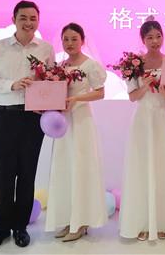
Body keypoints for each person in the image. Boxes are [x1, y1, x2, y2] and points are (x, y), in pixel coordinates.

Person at [0, 0, 55, 250]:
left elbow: (52, 82)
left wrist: (49, 102)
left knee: (27, 173)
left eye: (33, 18)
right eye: (23, 18)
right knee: (4, 173)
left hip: (33, 119)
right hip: (5, 117)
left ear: (38, 21)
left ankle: (20, 227)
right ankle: (1, 228)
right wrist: (11, 84)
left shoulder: (46, 49)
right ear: (14, 20)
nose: (28, 23)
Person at [119, 18, 165, 241]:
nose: (155, 41)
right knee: (143, 167)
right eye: (150, 37)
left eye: (158, 36)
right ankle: (143, 222)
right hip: (143, 119)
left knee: (163, 166)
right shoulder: (133, 64)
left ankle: (164, 222)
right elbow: (132, 97)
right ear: (143, 39)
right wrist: (146, 85)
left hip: (163, 118)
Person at [45, 23, 108, 241]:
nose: (70, 43)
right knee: (65, 169)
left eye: (74, 39)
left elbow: (100, 93)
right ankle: (69, 219)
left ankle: (81, 222)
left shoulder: (90, 65)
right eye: (66, 39)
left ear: (83, 41)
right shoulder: (60, 66)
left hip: (81, 121)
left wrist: (77, 99)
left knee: (81, 168)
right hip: (63, 123)